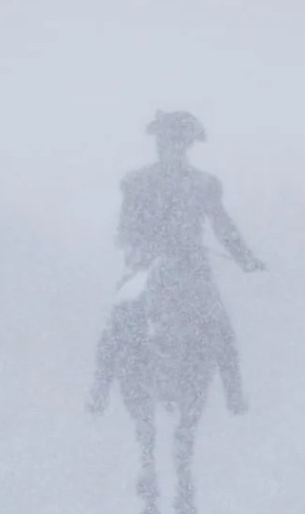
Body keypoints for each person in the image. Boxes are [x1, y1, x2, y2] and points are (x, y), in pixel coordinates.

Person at [87, 110, 265, 416]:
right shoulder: (139, 182)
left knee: (220, 325)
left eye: (174, 141)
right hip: (151, 267)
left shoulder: (203, 184)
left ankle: (233, 394)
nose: (169, 147)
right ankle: (100, 389)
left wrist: (246, 258)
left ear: (184, 145)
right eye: (166, 141)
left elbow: (222, 227)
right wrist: (140, 250)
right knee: (118, 319)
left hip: (186, 268)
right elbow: (126, 229)